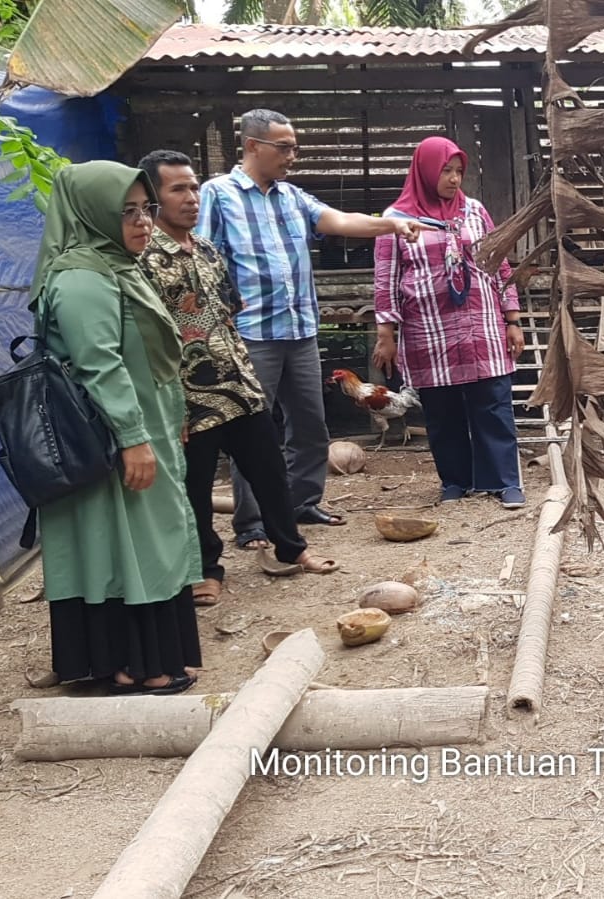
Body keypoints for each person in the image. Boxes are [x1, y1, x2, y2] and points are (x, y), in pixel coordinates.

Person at [197, 108, 422, 550]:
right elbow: (203, 260)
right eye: (285, 147)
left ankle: (301, 503)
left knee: (310, 427)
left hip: (299, 331)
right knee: (253, 432)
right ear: (252, 147)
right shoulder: (218, 194)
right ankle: (253, 522)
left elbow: (338, 221)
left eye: (295, 147)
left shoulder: (292, 197)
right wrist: (214, 327)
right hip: (249, 333)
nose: (293, 156)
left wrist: (391, 224)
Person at [138, 149, 341, 605]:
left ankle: (291, 549)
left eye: (193, 187)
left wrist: (245, 374)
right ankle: (206, 569)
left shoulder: (208, 250)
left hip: (239, 386)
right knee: (196, 486)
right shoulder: (145, 259)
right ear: (152, 197)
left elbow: (230, 312)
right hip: (189, 397)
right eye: (178, 189)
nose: (191, 197)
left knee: (268, 471)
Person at [31, 161, 201, 695]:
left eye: (145, 209)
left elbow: (144, 361)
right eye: (125, 211)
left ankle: (118, 661)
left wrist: (167, 422)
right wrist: (133, 439)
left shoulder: (114, 268)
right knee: (133, 544)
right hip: (111, 439)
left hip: (136, 431)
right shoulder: (83, 278)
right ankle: (136, 663)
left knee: (131, 542)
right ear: (93, 214)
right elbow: (99, 365)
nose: (143, 222)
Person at [372, 136, 526, 508]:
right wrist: (386, 333)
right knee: (441, 408)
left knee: (492, 402)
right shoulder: (396, 219)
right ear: (425, 170)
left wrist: (512, 318)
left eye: (459, 171)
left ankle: (504, 481)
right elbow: (385, 278)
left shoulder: (473, 211)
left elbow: (498, 260)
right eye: (446, 171)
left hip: (481, 324)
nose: (454, 179)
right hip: (428, 329)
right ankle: (455, 481)